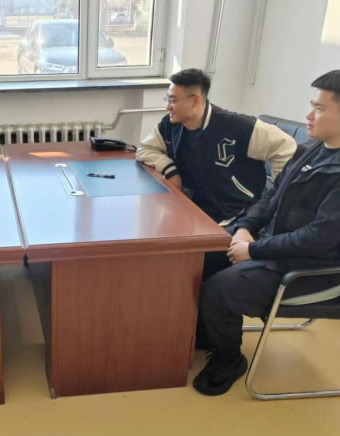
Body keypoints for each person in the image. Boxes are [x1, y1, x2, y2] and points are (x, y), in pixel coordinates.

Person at [193, 70, 340, 396]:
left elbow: (318, 238)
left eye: (319, 108)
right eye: (312, 105)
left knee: (219, 290)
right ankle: (209, 333)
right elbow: (271, 197)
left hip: (312, 270)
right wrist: (246, 228)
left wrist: (253, 250)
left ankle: (229, 360)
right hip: (273, 247)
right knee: (199, 258)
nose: (308, 115)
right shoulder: (311, 149)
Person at [137, 68, 296, 229]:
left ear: (195, 100)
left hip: (234, 215)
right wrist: (169, 169)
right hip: (193, 207)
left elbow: (286, 147)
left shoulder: (237, 126)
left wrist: (275, 198)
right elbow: (145, 149)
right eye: (167, 99)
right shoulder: (171, 124)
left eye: (173, 100)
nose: (168, 106)